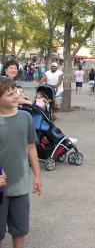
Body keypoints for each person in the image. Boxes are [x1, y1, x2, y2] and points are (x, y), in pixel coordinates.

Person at [0, 77, 42, 248]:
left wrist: (37, 175)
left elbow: (31, 147)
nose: (16, 96)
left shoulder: (25, 117)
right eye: (10, 95)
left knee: (20, 229)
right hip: (1, 188)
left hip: (20, 186)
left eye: (16, 92)